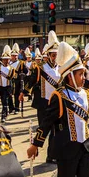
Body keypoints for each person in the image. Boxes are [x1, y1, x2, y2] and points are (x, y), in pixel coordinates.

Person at [27, 42, 89, 177]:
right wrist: (36, 144)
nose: (84, 77)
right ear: (69, 76)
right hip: (66, 148)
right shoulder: (59, 96)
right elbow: (47, 122)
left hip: (84, 146)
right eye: (80, 74)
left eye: (84, 73)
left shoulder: (86, 94)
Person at [22, 33, 61, 164]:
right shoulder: (40, 68)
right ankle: (36, 147)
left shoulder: (61, 68)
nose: (55, 57)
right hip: (43, 102)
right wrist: (23, 92)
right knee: (43, 128)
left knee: (55, 131)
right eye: (53, 55)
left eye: (57, 55)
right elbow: (32, 80)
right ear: (48, 55)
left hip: (56, 103)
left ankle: (51, 155)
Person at [0, 45, 16, 124]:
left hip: (8, 87)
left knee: (6, 101)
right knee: (4, 101)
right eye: (4, 60)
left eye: (7, 60)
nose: (5, 61)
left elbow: (11, 78)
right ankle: (8, 110)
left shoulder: (11, 69)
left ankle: (3, 115)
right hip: (1, 87)